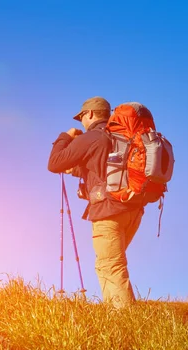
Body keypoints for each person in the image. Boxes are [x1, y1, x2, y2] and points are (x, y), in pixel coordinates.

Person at [47, 96, 144, 309]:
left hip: (109, 211)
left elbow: (54, 163)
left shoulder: (92, 137)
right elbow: (102, 169)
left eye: (81, 117)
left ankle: (125, 323)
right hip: (133, 209)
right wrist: (77, 170)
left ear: (89, 114)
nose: (80, 121)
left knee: (110, 265)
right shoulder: (117, 136)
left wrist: (66, 136)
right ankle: (114, 315)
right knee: (106, 265)